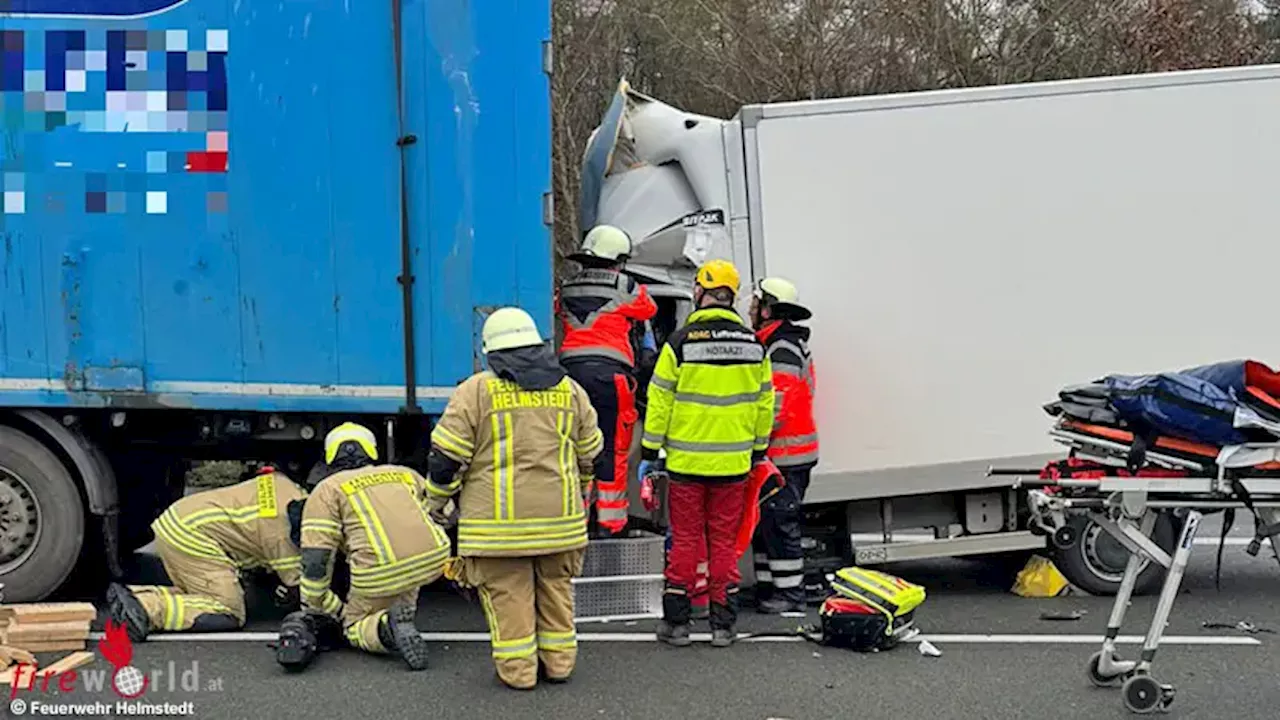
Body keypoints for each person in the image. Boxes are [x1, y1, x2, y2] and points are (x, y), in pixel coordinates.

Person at [426, 307, 603, 690]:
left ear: (492, 352)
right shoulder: (570, 390)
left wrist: (435, 502)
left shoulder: (476, 391)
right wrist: (582, 488)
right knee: (556, 592)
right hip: (561, 525)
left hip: (498, 532)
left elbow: (446, 460)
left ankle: (519, 673)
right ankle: (559, 665)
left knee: (509, 599)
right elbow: (590, 453)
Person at [640, 258, 774, 648]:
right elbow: (765, 404)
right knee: (723, 543)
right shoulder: (754, 345)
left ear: (700, 291)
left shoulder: (680, 342)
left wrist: (650, 450)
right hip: (734, 464)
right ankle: (723, 626)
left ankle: (678, 625)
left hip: (685, 464)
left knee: (684, 540)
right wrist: (757, 448)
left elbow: (659, 399)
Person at [289, 422, 450, 671]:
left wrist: (316, 604)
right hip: (433, 559)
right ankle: (398, 614)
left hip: (377, 571)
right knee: (400, 596)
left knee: (353, 625)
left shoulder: (327, 490)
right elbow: (446, 513)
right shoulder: (403, 473)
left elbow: (316, 558)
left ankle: (385, 628)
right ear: (371, 451)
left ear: (330, 456)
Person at [106, 465, 309, 642]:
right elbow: (304, 590)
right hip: (190, 535)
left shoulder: (291, 489)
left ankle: (134, 596)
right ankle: (146, 609)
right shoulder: (281, 537)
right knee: (227, 609)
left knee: (202, 597)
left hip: (181, 519)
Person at [556, 224, 658, 536]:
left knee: (576, 449)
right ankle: (611, 524)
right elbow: (648, 309)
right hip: (611, 377)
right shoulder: (626, 285)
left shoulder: (568, 286)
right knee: (612, 449)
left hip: (569, 377)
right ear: (618, 259)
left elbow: (558, 309)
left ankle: (578, 522)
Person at [749, 277, 820, 613]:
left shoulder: (781, 348)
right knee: (767, 523)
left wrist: (753, 440)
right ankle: (770, 588)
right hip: (786, 453)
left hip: (786, 455)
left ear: (768, 309)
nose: (751, 308)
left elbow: (777, 403)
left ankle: (791, 595)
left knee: (779, 521)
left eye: (757, 303)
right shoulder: (779, 344)